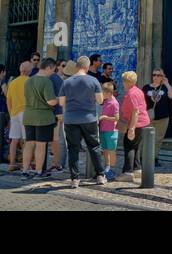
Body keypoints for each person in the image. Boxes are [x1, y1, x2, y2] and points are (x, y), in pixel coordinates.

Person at [59, 56, 107, 188]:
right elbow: (100, 101)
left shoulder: (67, 82)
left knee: (73, 148)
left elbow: (61, 102)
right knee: (94, 147)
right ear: (87, 66)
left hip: (71, 119)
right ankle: (100, 175)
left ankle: (74, 179)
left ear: (76, 67)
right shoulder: (94, 81)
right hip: (89, 118)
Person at [21, 58, 60, 178]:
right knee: (41, 145)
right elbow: (51, 101)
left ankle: (25, 171)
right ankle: (39, 171)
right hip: (43, 117)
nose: (53, 73)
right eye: (53, 70)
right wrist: (60, 99)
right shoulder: (46, 82)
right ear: (48, 67)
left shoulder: (28, 81)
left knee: (29, 144)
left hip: (28, 115)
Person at [117, 71, 149, 183]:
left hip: (136, 123)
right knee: (136, 146)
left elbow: (135, 111)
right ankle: (137, 169)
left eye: (123, 81)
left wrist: (131, 128)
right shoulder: (138, 90)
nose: (122, 83)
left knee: (129, 146)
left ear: (126, 81)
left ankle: (128, 172)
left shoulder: (131, 93)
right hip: (141, 122)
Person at [144, 68, 172, 169]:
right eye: (154, 75)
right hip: (148, 118)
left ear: (162, 77)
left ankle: (154, 158)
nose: (155, 77)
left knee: (158, 139)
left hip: (163, 118)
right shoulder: (146, 87)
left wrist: (167, 84)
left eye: (158, 75)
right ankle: (144, 158)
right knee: (146, 139)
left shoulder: (165, 88)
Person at [5, 61, 30, 172]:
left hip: (14, 113)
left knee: (14, 140)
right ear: (28, 70)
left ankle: (12, 163)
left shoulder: (13, 83)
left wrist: (11, 113)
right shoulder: (30, 81)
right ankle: (26, 165)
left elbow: (8, 100)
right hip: (26, 113)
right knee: (26, 140)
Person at [98, 79, 120, 181]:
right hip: (103, 129)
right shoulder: (105, 101)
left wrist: (105, 117)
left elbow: (116, 118)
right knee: (105, 150)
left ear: (108, 93)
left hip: (111, 130)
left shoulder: (114, 103)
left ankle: (112, 169)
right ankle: (107, 167)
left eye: (103, 93)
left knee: (112, 151)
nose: (102, 94)